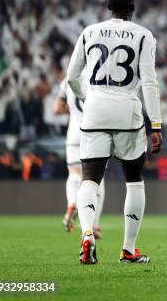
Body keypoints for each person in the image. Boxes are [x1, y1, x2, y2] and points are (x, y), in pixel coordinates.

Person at [66, 0, 163, 264]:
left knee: (89, 178)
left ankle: (86, 233)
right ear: (132, 8)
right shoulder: (143, 35)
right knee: (134, 181)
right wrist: (155, 125)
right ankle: (128, 249)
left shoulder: (89, 32)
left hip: (94, 112)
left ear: (108, 7)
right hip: (127, 114)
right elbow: (148, 82)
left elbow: (72, 77)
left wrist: (88, 97)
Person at [54, 77, 106, 238]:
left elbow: (56, 109)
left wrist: (71, 108)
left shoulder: (67, 79)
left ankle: (72, 203)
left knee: (74, 174)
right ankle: (94, 225)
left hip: (74, 134)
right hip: (94, 132)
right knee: (97, 179)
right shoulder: (99, 75)